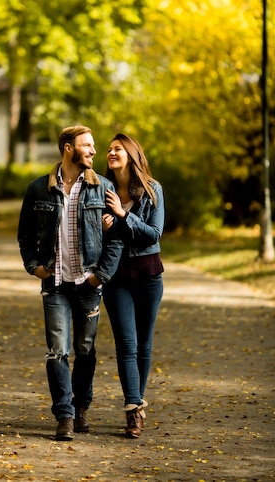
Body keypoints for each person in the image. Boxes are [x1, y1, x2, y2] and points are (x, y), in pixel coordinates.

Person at [18, 125, 123, 441]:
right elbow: (24, 234)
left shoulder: (102, 188)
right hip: (55, 284)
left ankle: (81, 408)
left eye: (93, 146)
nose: (93, 151)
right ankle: (64, 415)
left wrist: (100, 274)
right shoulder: (38, 189)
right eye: (87, 145)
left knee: (85, 349)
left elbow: (116, 237)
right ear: (68, 148)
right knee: (57, 351)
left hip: (88, 284)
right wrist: (34, 266)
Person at [102, 133, 165, 439]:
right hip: (115, 276)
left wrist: (123, 215)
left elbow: (153, 234)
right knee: (126, 344)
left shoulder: (153, 190)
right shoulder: (100, 190)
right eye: (109, 149)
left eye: (117, 149)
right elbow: (89, 235)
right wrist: (98, 227)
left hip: (148, 274)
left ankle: (136, 405)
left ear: (131, 154)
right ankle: (133, 409)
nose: (110, 152)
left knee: (144, 343)